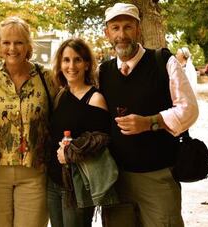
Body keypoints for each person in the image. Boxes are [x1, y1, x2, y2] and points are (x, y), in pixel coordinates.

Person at [99, 3, 198, 227]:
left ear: (139, 29)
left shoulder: (163, 61)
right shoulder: (102, 72)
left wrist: (151, 122)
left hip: (158, 178)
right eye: (115, 28)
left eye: (128, 27)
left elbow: (189, 109)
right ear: (107, 33)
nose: (121, 34)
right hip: (116, 180)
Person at [0, 16, 56, 227]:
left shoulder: (47, 77)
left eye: (18, 42)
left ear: (28, 46)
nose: (12, 48)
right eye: (6, 42)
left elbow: (69, 105)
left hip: (34, 173)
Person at [47, 38, 118, 227]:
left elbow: (102, 141)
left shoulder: (95, 99)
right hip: (54, 181)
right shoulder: (61, 94)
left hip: (78, 186)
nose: (71, 66)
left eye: (77, 60)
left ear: (87, 64)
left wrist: (71, 152)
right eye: (66, 60)